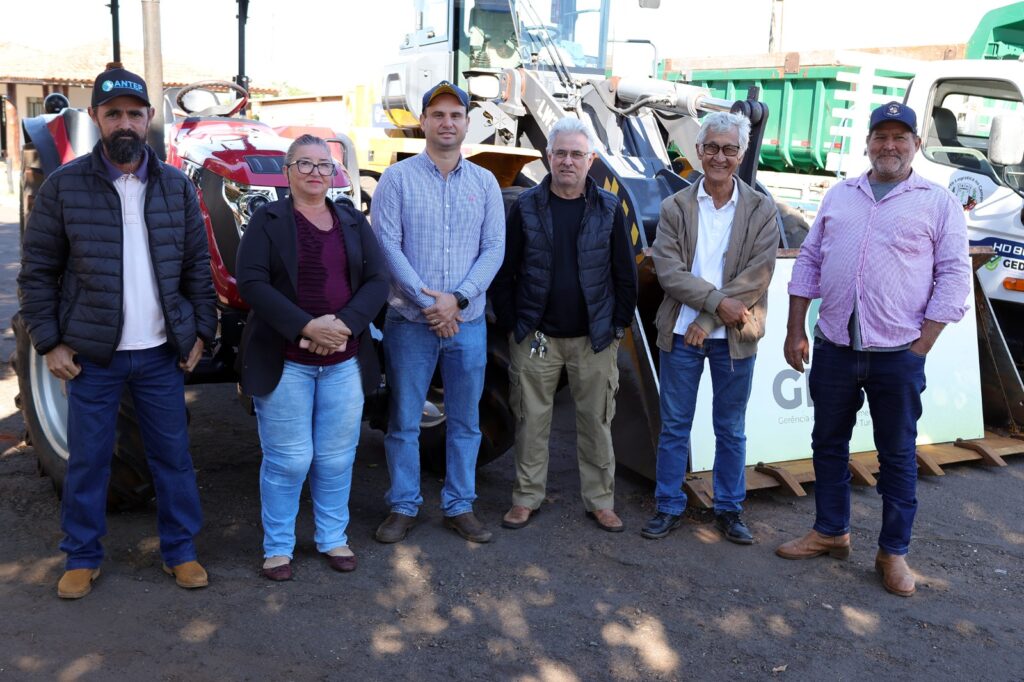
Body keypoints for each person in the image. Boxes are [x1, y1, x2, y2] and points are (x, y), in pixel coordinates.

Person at [17, 66, 216, 598]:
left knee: (172, 457)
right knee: (87, 459)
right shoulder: (63, 187)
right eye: (113, 114)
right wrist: (49, 341)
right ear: (97, 120)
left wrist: (201, 331)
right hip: (93, 356)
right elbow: (37, 272)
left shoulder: (175, 187)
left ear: (149, 118)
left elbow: (198, 267)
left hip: (158, 355)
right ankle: (81, 555)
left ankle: (181, 551)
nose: (124, 123)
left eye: (134, 113)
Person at [777, 101, 972, 597]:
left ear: (915, 145)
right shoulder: (841, 195)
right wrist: (796, 328)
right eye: (880, 137)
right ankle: (831, 531)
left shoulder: (937, 201)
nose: (889, 146)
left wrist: (922, 344)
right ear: (867, 143)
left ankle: (893, 553)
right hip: (836, 343)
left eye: (899, 138)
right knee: (827, 443)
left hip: (898, 352)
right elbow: (810, 261)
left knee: (899, 455)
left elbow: (953, 274)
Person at [236, 134, 388, 580]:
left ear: (335, 174)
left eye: (324, 165)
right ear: (288, 172)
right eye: (305, 164)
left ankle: (332, 537)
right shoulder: (266, 220)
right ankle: (278, 546)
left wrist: (343, 325)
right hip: (286, 361)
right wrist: (307, 327)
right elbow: (252, 283)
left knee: (337, 457)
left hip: (344, 360)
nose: (315, 173)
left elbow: (378, 280)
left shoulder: (352, 221)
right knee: (289, 459)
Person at [370, 81, 505, 544]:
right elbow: (387, 246)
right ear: (424, 121)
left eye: (456, 115)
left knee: (466, 421)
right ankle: (404, 505)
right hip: (411, 323)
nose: (447, 122)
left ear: (467, 124)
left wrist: (457, 300)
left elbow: (493, 250)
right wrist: (431, 305)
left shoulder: (486, 182)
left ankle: (459, 504)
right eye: (439, 114)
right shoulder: (397, 179)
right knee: (404, 420)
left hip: (465, 323)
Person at [491, 117, 637, 532]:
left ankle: (600, 501)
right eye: (560, 153)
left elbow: (624, 275)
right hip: (536, 336)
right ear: (547, 157)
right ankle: (525, 498)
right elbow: (506, 272)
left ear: (590, 161)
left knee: (595, 422)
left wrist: (616, 327)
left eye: (577, 154)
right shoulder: (526, 207)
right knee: (531, 421)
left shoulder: (609, 209)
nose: (568, 161)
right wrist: (512, 323)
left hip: (593, 338)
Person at [641, 111, 779, 544]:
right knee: (675, 426)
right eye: (712, 148)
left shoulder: (760, 208)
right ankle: (668, 505)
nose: (720, 156)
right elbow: (670, 273)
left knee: (730, 428)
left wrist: (705, 317)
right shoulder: (675, 207)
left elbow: (758, 275)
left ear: (740, 155)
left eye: (729, 148)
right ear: (698, 152)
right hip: (680, 336)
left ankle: (729, 508)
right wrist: (714, 306)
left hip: (734, 339)